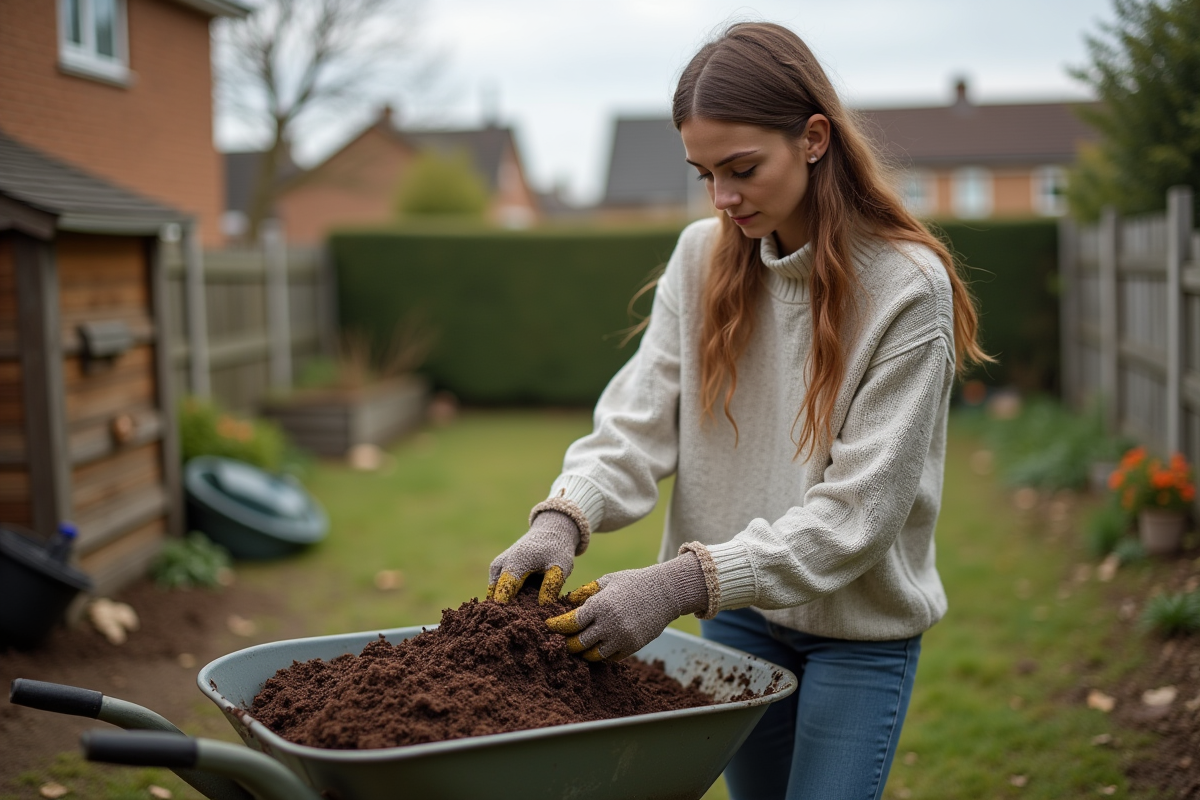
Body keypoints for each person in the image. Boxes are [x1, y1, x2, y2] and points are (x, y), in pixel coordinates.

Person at [487, 21, 988, 800]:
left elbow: (858, 515)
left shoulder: (905, 288)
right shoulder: (700, 258)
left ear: (814, 138)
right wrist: (562, 519)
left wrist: (676, 586)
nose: (723, 198)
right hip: (741, 618)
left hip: (856, 635)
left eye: (742, 169)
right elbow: (637, 420)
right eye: (704, 175)